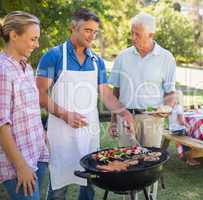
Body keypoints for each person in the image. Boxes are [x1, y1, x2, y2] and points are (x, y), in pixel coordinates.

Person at [36, 8, 134, 200]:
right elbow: (39, 94)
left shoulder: (96, 61)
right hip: (62, 133)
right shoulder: (53, 56)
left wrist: (125, 113)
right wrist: (66, 115)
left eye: (95, 32)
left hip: (89, 132)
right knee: (59, 186)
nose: (92, 36)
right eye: (88, 30)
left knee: (89, 182)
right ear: (73, 28)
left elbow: (105, 94)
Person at [109, 12, 176, 148]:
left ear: (151, 34)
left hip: (152, 120)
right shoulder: (122, 57)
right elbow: (116, 91)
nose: (133, 38)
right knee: (127, 162)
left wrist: (167, 107)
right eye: (132, 33)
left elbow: (170, 93)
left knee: (150, 162)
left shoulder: (166, 58)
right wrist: (113, 121)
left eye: (137, 34)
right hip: (125, 117)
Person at [0, 11, 49, 199]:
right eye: (33, 39)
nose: (37, 45)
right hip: (18, 164)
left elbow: (29, 109)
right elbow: (1, 124)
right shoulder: (3, 70)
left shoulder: (26, 67)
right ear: (14, 35)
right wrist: (21, 166)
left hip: (38, 153)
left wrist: (43, 136)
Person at [167, 91, 200, 166]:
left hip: (172, 130)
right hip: (179, 130)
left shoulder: (171, 107)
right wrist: (188, 126)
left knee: (185, 138)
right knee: (188, 144)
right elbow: (181, 121)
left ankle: (182, 154)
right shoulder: (179, 107)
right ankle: (190, 160)